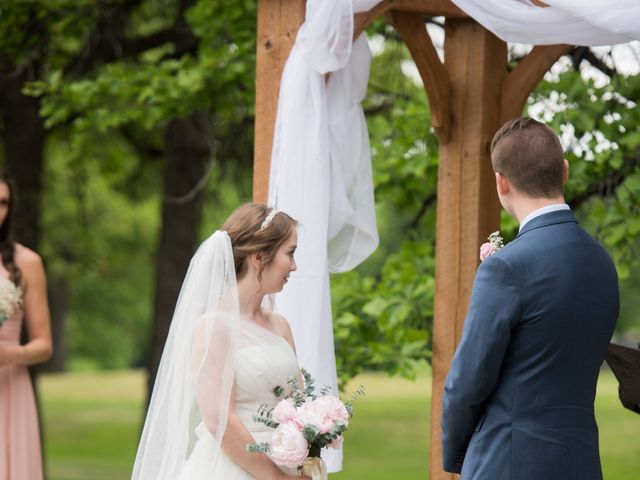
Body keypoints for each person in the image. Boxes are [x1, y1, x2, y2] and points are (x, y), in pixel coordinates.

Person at [441, 117, 619, 479]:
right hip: (581, 463)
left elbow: (467, 382)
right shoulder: (602, 262)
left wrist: (459, 457)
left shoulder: (506, 268)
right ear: (564, 171)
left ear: (501, 182)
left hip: (508, 462)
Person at [132, 203, 310, 480]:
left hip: (289, 463)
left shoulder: (280, 325)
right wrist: (276, 478)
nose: (295, 266)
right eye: (290, 253)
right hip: (235, 469)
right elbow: (219, 420)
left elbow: (299, 404)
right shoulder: (214, 327)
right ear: (260, 257)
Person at [0, 172, 53, 480]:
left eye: (4, 203)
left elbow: (44, 344)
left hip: (9, 389)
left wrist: (12, 354)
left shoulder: (27, 263)